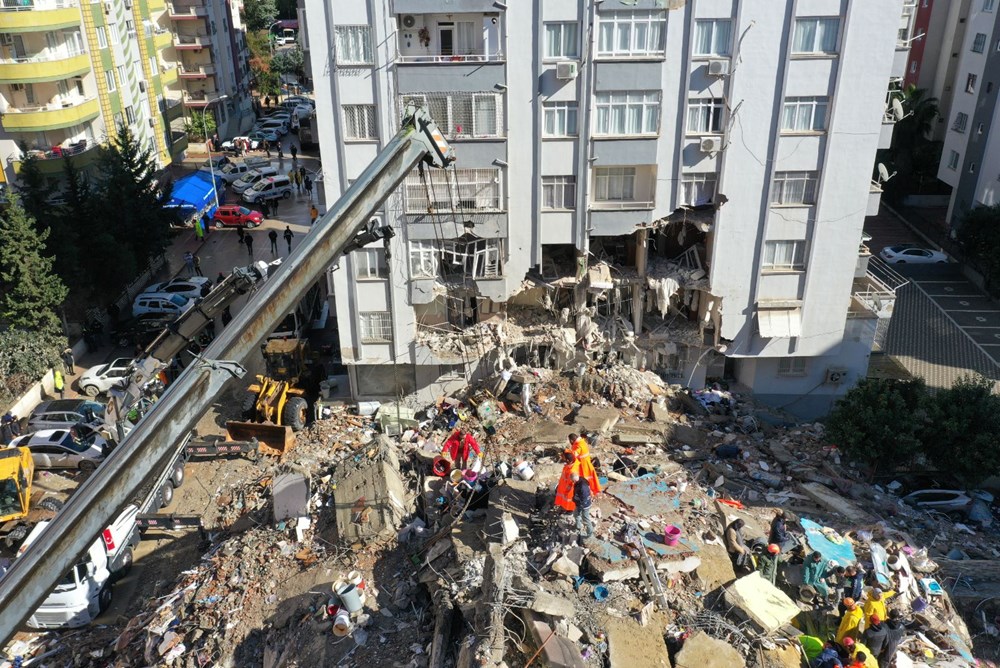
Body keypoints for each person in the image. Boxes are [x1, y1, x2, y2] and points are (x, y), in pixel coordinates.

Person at [572, 472, 594, 544]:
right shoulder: (579, 481)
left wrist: (581, 506)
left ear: (576, 478)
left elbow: (584, 498)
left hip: (584, 505)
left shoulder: (583, 486)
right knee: (576, 514)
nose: (573, 482)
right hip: (579, 503)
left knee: (585, 519)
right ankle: (578, 526)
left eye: (573, 481)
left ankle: (589, 533)